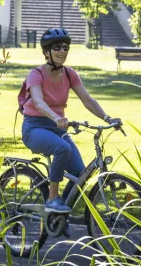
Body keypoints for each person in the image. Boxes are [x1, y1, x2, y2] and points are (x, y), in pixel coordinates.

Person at [19, 28, 121, 213]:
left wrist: (107, 118)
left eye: (65, 47)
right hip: (34, 128)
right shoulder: (36, 74)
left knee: (79, 174)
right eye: (57, 47)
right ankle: (52, 199)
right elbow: (38, 102)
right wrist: (57, 117)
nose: (62, 51)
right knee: (62, 148)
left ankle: (60, 214)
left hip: (58, 129)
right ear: (46, 51)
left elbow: (87, 100)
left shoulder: (69, 74)